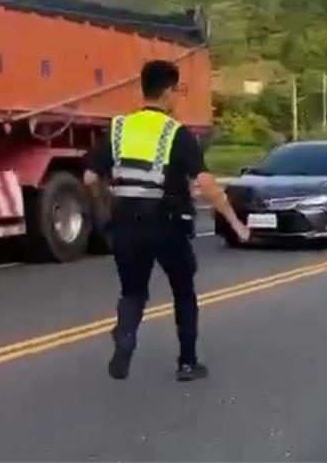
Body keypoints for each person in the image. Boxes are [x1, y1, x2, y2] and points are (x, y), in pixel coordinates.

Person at [83, 60, 251, 382]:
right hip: (166, 223)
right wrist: (235, 222)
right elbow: (208, 185)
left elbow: (90, 177)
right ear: (169, 91)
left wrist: (108, 212)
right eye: (178, 90)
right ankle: (187, 363)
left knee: (133, 292)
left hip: (126, 223)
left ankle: (126, 335)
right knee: (183, 291)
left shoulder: (119, 128)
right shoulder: (176, 133)